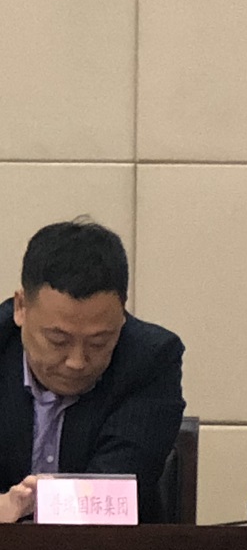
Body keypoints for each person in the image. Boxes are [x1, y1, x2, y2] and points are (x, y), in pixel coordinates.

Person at [0, 220, 185, 523]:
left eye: (99, 342)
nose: (77, 361)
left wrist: (35, 504)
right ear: (21, 308)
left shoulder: (151, 360)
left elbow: (117, 490)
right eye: (58, 340)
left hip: (108, 549)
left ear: (122, 313)